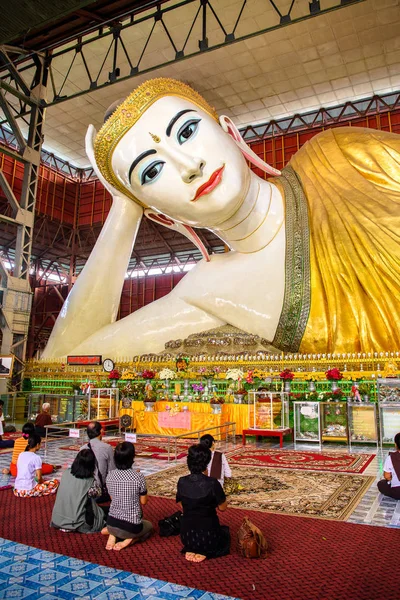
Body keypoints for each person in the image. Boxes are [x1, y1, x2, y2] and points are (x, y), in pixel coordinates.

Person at [42, 78, 400, 361]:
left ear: (230, 132)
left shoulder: (340, 158)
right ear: (160, 216)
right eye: (151, 171)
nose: (188, 166)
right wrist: (124, 209)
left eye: (186, 132)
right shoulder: (207, 291)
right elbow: (61, 360)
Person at [176, 443, 230, 563]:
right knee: (225, 533)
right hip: (208, 537)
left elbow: (181, 503)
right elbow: (222, 507)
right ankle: (204, 550)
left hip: (187, 536)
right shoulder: (212, 483)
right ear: (206, 462)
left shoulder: (182, 481)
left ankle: (192, 547)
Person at [103, 441, 152, 551]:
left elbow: (112, 498)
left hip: (111, 522)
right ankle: (131, 539)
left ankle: (113, 535)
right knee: (149, 526)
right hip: (132, 526)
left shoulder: (110, 475)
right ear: (132, 458)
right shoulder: (138, 476)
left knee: (115, 525)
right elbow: (143, 502)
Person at [51, 448, 106, 533]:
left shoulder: (66, 473)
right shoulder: (90, 481)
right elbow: (98, 494)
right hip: (77, 522)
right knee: (104, 511)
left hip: (57, 519)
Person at [81, 421, 115, 502]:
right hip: (100, 491)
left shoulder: (82, 448)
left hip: (83, 490)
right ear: (101, 431)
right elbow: (112, 471)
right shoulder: (107, 448)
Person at [377, 432, 400, 500]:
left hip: (397, 492)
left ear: (396, 444)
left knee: (381, 484)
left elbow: (387, 476)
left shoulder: (391, 457)